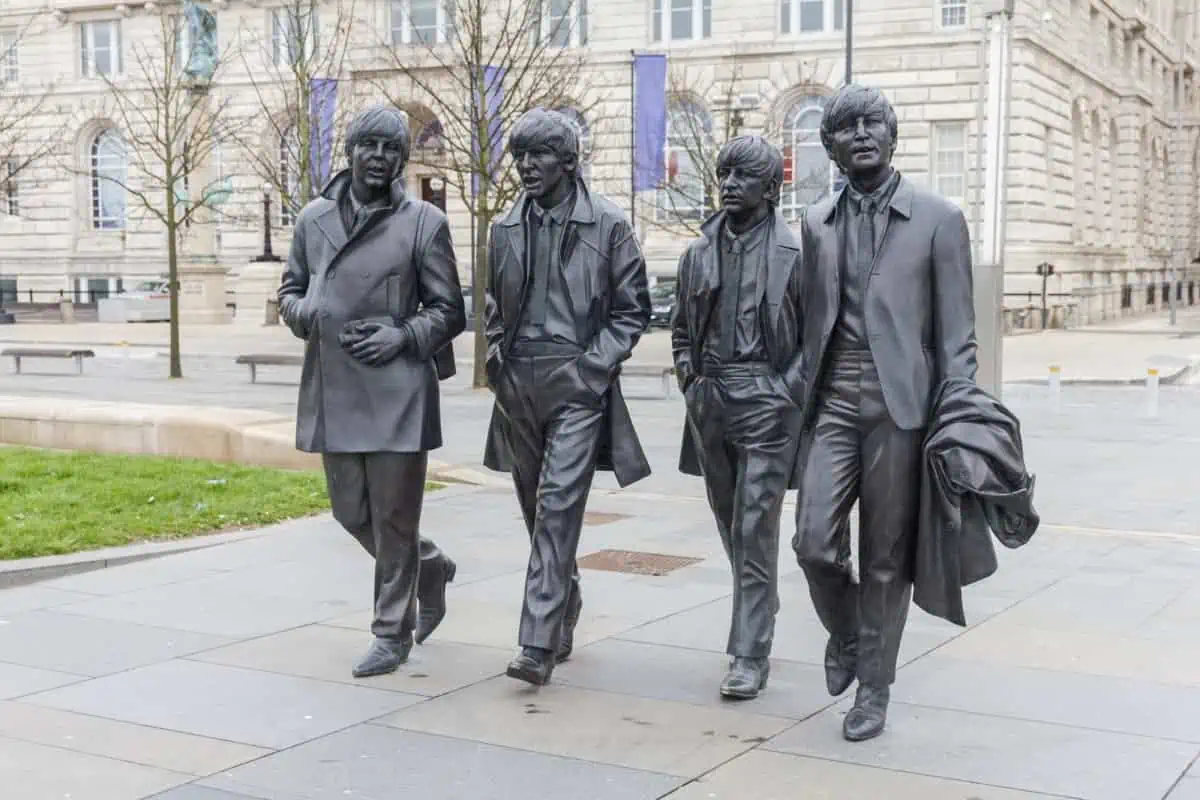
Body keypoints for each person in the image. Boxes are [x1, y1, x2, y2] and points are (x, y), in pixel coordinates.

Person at [791, 84, 978, 740]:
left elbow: (957, 339)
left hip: (903, 411)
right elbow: (804, 321)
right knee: (812, 542)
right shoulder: (815, 224)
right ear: (831, 145)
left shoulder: (937, 219)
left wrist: (956, 420)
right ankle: (847, 632)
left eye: (874, 123)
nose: (863, 134)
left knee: (885, 559)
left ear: (892, 135)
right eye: (847, 127)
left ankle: (875, 685)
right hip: (833, 404)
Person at [278, 105, 465, 678]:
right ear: (351, 152)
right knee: (350, 511)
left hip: (399, 389)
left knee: (393, 517)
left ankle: (391, 631)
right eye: (370, 147)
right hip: (335, 386)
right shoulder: (313, 220)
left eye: (391, 150)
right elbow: (288, 291)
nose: (380, 158)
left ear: (401, 161)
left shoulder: (423, 223)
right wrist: (303, 311)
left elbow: (450, 310)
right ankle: (428, 567)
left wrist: (402, 335)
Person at [482, 108, 652, 686]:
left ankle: (536, 642)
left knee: (558, 507)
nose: (527, 167)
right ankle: (566, 597)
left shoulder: (608, 225)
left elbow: (633, 311)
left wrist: (593, 369)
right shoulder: (503, 227)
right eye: (520, 156)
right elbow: (492, 305)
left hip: (576, 383)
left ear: (569, 161)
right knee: (536, 510)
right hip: (518, 385)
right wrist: (496, 359)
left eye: (539, 156)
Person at [670, 136, 807, 699]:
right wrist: (690, 378)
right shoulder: (697, 253)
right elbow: (681, 328)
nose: (728, 184)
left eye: (743, 177)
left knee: (755, 524)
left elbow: (814, 339)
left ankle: (749, 652)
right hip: (712, 398)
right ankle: (761, 600)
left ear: (772, 190)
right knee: (730, 520)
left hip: (766, 399)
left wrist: (783, 390)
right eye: (724, 174)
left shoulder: (796, 255)